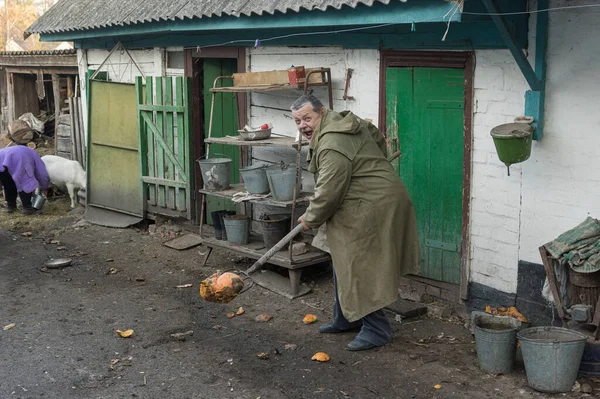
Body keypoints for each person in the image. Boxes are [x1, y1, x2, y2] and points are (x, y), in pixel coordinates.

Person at [291, 94, 420, 351]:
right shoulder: (342, 121)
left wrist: (311, 218)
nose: (303, 125)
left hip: (372, 204)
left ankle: (376, 330)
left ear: (321, 113)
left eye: (307, 118)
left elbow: (328, 192)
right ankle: (346, 318)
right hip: (364, 198)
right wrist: (370, 164)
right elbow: (377, 136)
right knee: (343, 260)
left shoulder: (332, 144)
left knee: (360, 265)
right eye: (297, 121)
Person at [0, 145, 50, 215]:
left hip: (2, 157)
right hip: (18, 157)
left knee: (8, 183)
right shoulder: (34, 155)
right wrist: (44, 187)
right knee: (26, 181)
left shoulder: (26, 151)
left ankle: (11, 206)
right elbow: (42, 173)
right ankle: (27, 208)